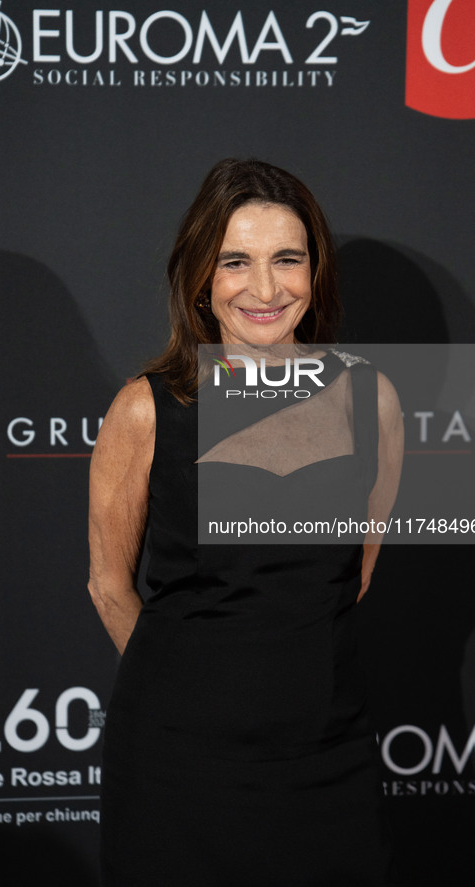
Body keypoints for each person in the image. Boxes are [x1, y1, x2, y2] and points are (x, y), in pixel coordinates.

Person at [88, 158, 404, 885]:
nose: (264, 290)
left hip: (329, 759)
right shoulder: (145, 408)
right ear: (201, 277)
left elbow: (353, 574)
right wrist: (201, 687)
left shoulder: (371, 397)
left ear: (313, 272)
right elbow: (108, 585)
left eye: (286, 259)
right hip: (176, 766)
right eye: (236, 262)